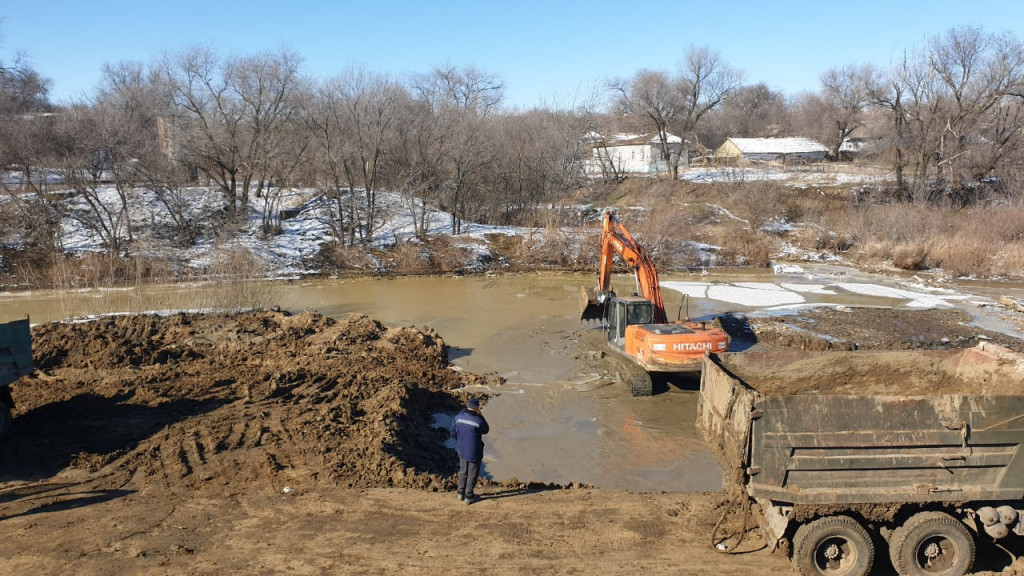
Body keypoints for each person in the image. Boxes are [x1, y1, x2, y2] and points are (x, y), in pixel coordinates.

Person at [450, 397, 489, 505]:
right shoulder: (478, 420)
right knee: (472, 474)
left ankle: (460, 493)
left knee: (463, 471)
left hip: (461, 449)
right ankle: (469, 496)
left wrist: (461, 440)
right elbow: (486, 430)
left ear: (467, 406)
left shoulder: (458, 417)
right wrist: (480, 415)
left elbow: (453, 432)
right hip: (474, 451)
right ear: (477, 408)